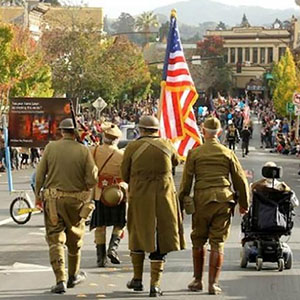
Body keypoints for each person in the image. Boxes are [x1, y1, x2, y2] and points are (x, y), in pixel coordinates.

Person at [179, 117, 249, 295]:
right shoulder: (227, 153)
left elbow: (186, 182)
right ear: (219, 133)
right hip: (223, 202)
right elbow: (240, 179)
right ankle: (213, 284)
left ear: (203, 131)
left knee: (198, 239)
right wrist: (244, 204)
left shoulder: (195, 153)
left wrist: (180, 203)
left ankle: (197, 280)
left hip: (201, 200)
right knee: (217, 242)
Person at [121, 115, 185, 297]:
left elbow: (124, 174)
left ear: (140, 129)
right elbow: (176, 161)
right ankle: (155, 285)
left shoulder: (132, 147)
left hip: (140, 197)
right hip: (164, 197)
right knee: (161, 239)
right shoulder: (167, 144)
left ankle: (137, 279)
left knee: (138, 235)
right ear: (157, 130)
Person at [35, 118, 98, 294]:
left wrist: (37, 197)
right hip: (76, 202)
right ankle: (73, 275)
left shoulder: (50, 148)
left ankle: (60, 279)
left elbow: (40, 175)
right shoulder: (83, 151)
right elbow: (92, 179)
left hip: (54, 201)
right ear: (75, 132)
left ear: (61, 131)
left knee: (55, 239)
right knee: (75, 239)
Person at [90, 122, 127, 267]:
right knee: (119, 223)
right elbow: (125, 174)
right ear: (116, 139)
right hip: (117, 193)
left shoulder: (93, 151)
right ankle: (113, 248)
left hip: (99, 193)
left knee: (100, 226)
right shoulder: (121, 155)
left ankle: (100, 258)